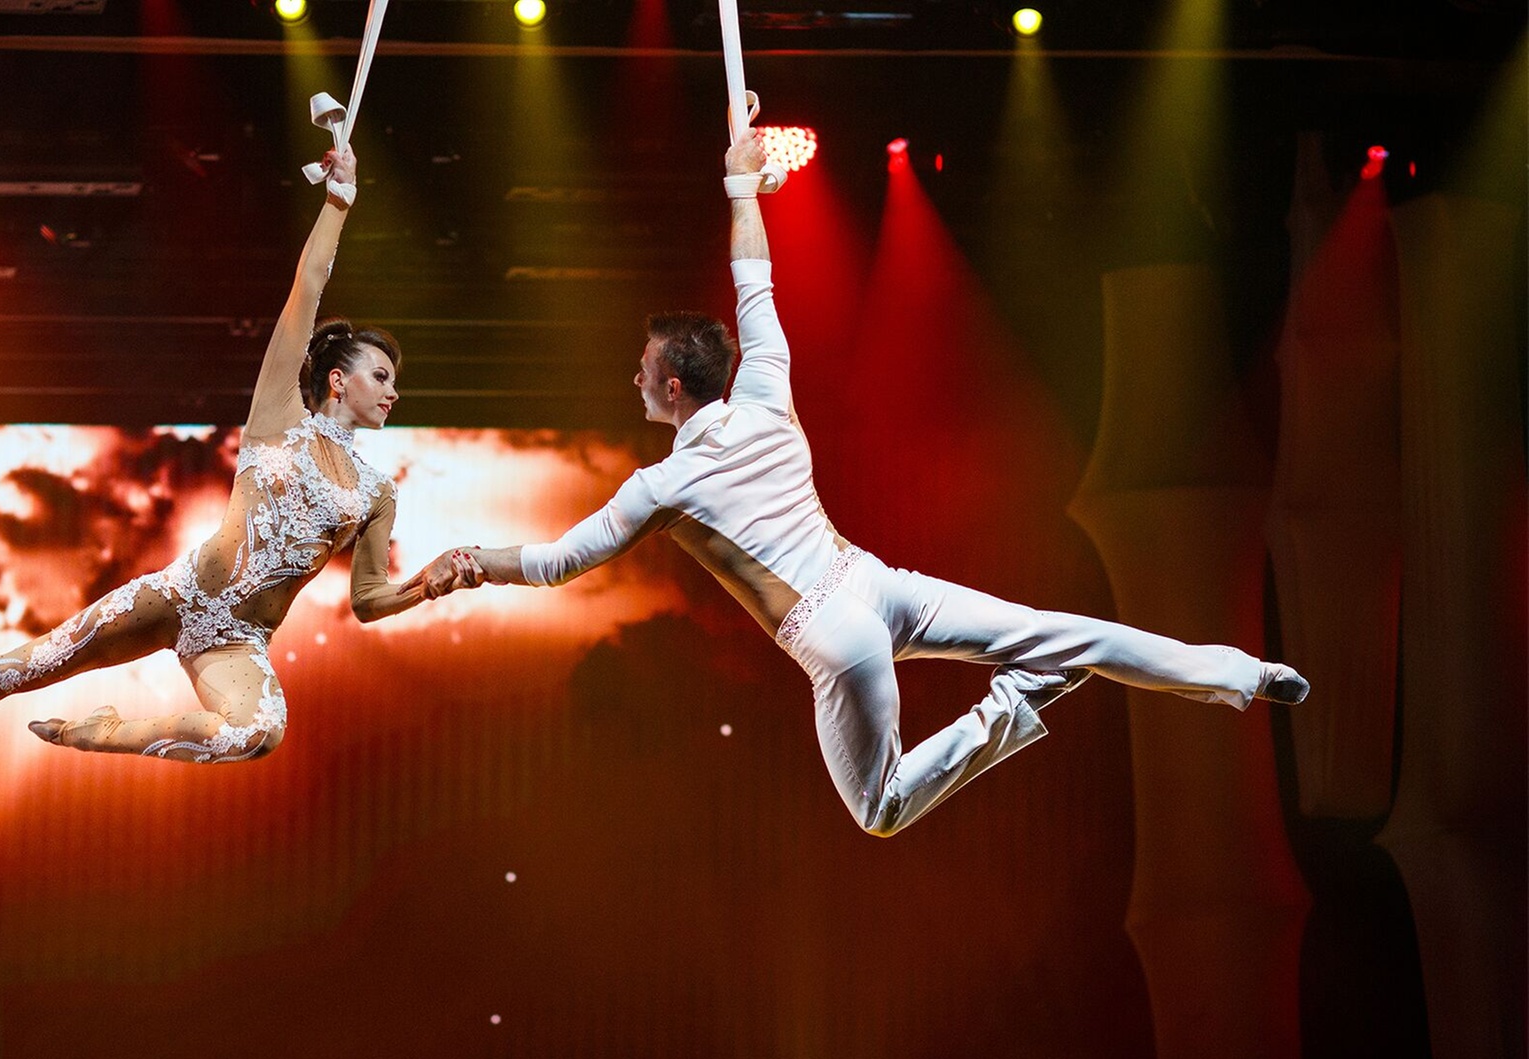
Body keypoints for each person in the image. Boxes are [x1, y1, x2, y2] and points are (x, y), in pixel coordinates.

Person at [399, 130, 1309, 837]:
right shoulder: (764, 389)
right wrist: (739, 184)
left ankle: (1013, 702)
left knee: (880, 810)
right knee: (1072, 635)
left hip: (833, 632)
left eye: (640, 366)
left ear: (672, 386)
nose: (630, 375)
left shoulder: (662, 485)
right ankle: (1243, 672)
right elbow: (751, 278)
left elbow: (560, 563)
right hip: (877, 584)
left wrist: (472, 559)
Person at [0, 147, 419, 781]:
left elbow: (369, 600)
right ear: (338, 380)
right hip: (181, 595)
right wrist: (339, 201)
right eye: (382, 376)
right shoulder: (277, 415)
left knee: (256, 733)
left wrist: (437, 581)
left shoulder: (375, 493)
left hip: (238, 642)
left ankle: (104, 734)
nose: (394, 392)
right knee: (24, 667)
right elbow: (305, 288)